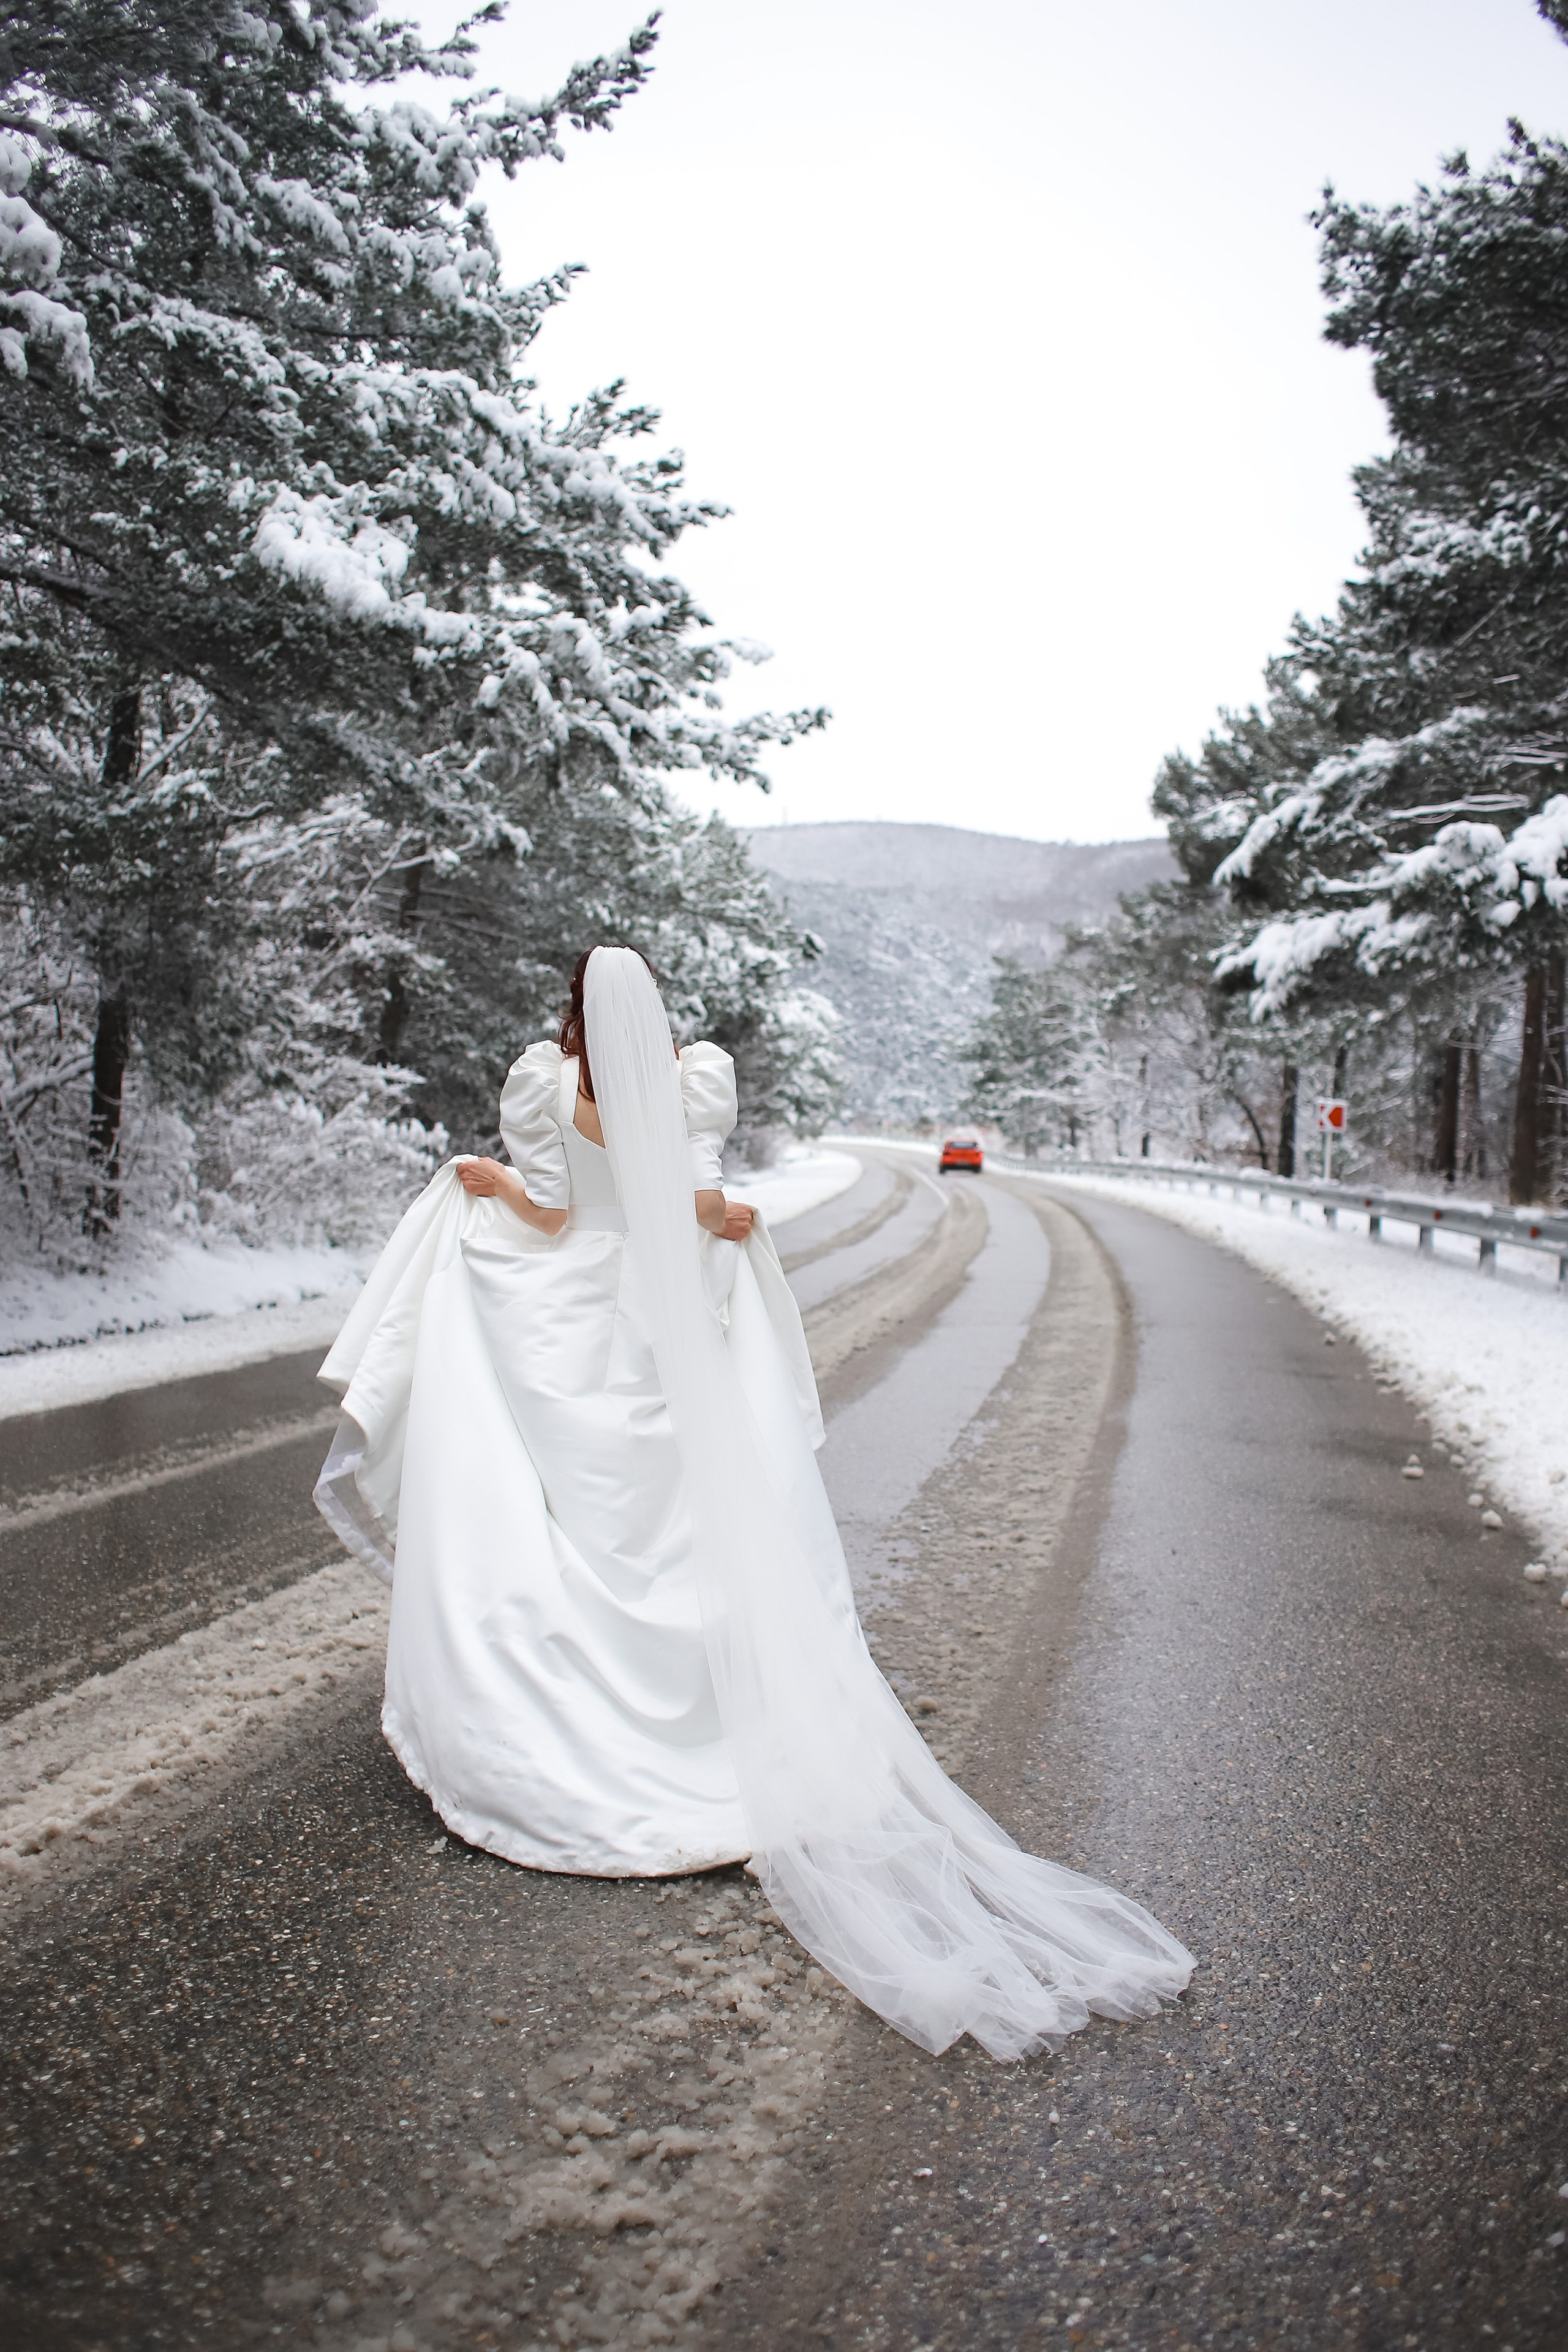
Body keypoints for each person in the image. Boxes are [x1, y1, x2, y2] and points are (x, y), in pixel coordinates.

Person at [315, 945, 1193, 2060]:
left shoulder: (543, 1082)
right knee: (684, 1523)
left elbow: (546, 1219)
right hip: (653, 1326)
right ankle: (707, 1727)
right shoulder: (693, 1082)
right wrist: (729, 1223)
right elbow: (692, 1209)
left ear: (574, 1012)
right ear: (657, 1014)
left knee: (555, 1519)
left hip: (563, 1325)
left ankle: (558, 1730)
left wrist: (483, 1188)